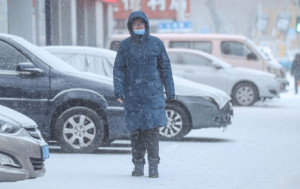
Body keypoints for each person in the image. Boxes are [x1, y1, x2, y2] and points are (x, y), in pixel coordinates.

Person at [113, 10, 175, 178]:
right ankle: (138, 165)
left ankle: (153, 167)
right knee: (136, 133)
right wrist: (118, 91)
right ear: (130, 27)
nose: (138, 27)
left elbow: (165, 68)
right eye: (135, 24)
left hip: (152, 96)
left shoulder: (156, 44)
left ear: (146, 25)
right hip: (132, 96)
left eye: (141, 24)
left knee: (152, 133)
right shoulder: (125, 46)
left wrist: (170, 91)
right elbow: (119, 69)